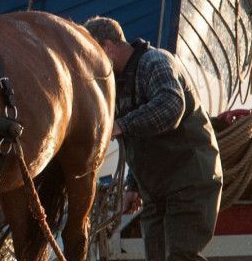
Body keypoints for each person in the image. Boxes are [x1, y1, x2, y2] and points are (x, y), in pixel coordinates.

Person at [86, 17, 222, 261]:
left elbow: (172, 106)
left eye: (92, 56)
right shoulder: (118, 83)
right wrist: (133, 187)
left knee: (182, 256)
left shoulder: (155, 62)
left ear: (107, 47)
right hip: (156, 190)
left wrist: (119, 125)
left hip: (189, 181)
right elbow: (140, 141)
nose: (91, 67)